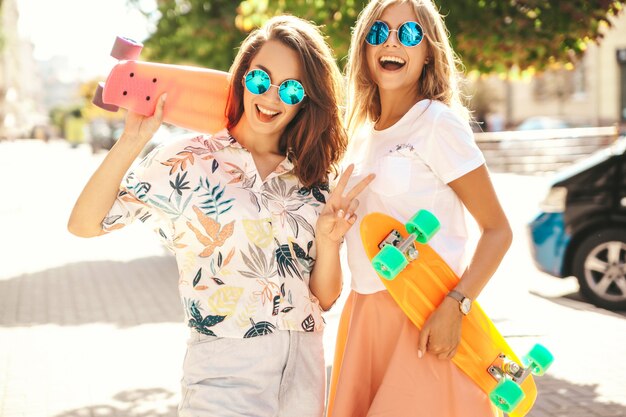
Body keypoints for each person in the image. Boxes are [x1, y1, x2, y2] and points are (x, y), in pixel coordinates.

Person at [68, 15, 374, 417]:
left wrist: (329, 240)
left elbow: (325, 296)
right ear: (242, 77)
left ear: (306, 99)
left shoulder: (315, 179)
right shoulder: (191, 159)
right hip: (224, 371)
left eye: (292, 88)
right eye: (260, 80)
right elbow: (85, 224)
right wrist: (132, 140)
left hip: (304, 370)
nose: (271, 97)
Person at [327, 1, 513, 416]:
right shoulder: (358, 136)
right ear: (364, 47)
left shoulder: (436, 124)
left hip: (424, 317)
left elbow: (498, 230)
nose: (391, 42)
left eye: (408, 34)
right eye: (378, 33)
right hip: (364, 318)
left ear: (428, 49)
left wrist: (457, 305)